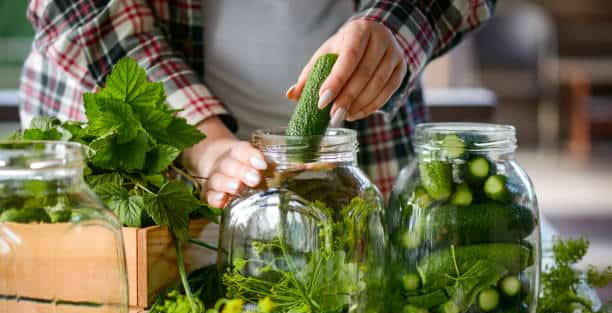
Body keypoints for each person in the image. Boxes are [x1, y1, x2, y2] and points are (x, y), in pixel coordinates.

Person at [20, 0, 496, 207]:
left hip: (362, 152)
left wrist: (394, 26)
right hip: (144, 153)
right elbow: (79, 9)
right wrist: (203, 143)